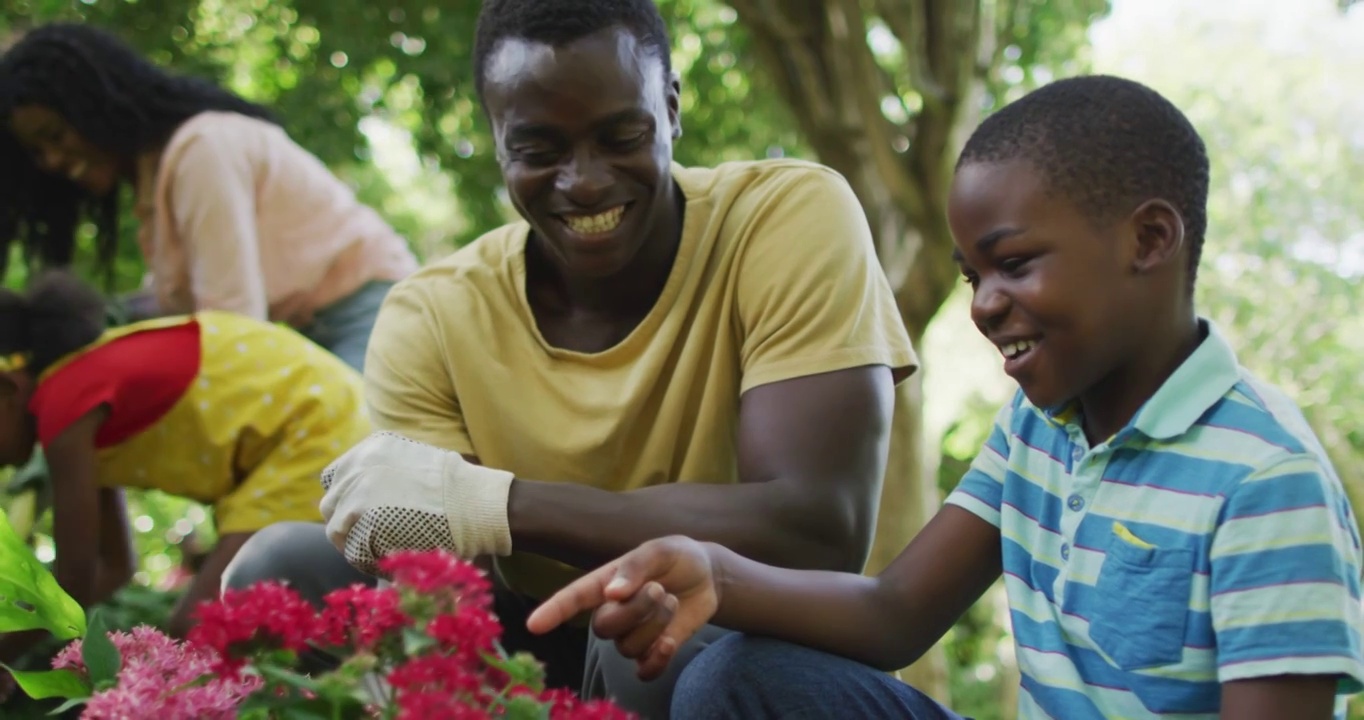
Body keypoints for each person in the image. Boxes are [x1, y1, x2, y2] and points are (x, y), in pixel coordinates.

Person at [524, 75, 1364, 720]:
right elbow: (895, 613)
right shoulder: (1039, 428)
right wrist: (715, 571)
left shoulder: (1264, 480)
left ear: (1149, 239)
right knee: (729, 673)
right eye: (972, 275)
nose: (983, 304)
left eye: (1015, 263)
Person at [225, 0, 919, 716]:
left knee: (648, 631)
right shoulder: (431, 314)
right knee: (276, 570)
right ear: (495, 140)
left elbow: (816, 530)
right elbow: (439, 594)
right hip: (526, 649)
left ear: (672, 108)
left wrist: (494, 505)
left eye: (622, 134)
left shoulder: (784, 217)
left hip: (724, 656)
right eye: (539, 151)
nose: (584, 181)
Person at [0, 270, 371, 666]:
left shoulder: (64, 405)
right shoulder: (81, 392)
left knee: (197, 631)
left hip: (312, 428)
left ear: (8, 388)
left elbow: (73, 580)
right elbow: (111, 567)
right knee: (214, 632)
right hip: (326, 415)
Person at [0, 22, 419, 372]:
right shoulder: (157, 186)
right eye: (36, 152)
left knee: (334, 463)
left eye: (55, 136)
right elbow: (176, 315)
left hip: (376, 319)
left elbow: (232, 327)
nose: (52, 160)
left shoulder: (203, 151)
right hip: (316, 332)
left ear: (92, 106)